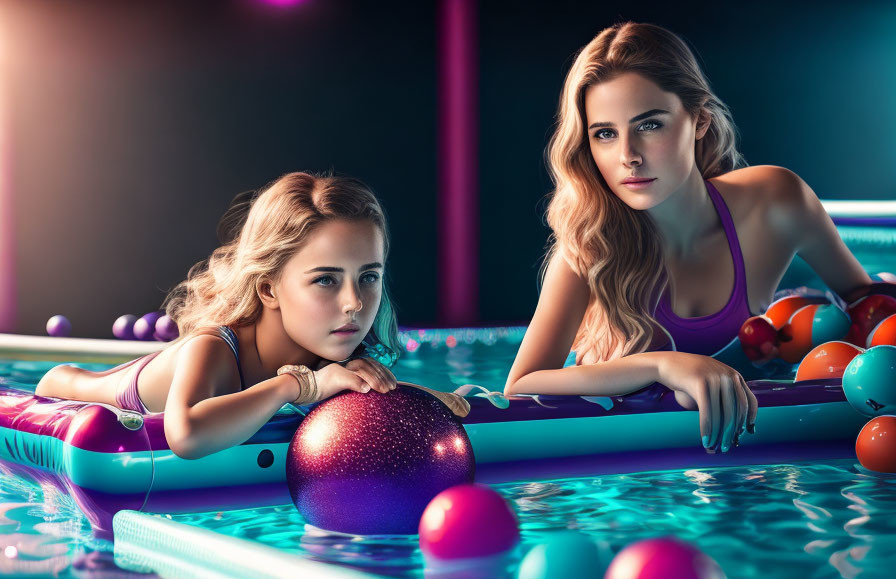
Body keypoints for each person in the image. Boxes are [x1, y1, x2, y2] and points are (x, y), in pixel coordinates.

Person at [504, 21, 872, 454]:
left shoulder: (777, 202)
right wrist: (662, 365)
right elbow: (519, 387)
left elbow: (870, 306)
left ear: (699, 120)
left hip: (752, 465)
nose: (628, 156)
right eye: (605, 134)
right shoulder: (590, 244)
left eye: (650, 125)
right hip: (630, 480)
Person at [36, 171, 468, 459]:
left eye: (369, 277)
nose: (354, 302)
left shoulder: (328, 349)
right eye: (326, 280)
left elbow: (345, 389)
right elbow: (185, 436)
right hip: (66, 390)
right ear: (268, 288)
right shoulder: (213, 349)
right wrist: (296, 385)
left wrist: (418, 397)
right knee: (69, 379)